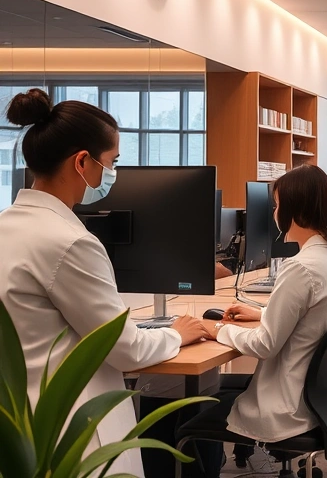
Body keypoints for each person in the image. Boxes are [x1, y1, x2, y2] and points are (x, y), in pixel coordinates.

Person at [0, 88, 212, 476]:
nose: (113, 174)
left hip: (19, 426)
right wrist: (176, 334)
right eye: (111, 162)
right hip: (73, 431)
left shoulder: (6, 226)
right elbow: (124, 349)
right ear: (82, 162)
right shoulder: (70, 242)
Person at [202, 164, 327, 451]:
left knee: (189, 411)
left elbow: (265, 345)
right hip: (320, 399)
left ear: (295, 210)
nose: (274, 213)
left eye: (277, 205)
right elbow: (317, 318)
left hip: (286, 407)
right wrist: (263, 314)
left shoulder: (300, 267)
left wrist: (217, 329)